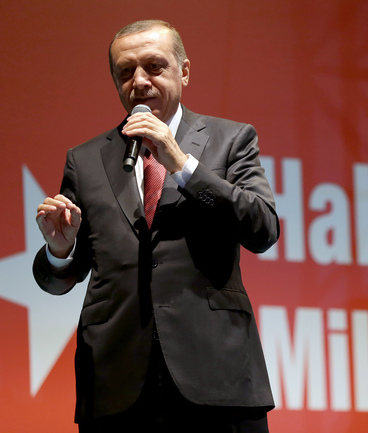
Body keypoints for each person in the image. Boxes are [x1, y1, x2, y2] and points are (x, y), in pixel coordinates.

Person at [32, 20, 279, 432]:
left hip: (216, 375)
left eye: (154, 66)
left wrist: (181, 163)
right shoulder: (86, 159)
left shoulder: (231, 139)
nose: (140, 81)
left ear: (183, 71)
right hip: (116, 383)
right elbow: (62, 279)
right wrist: (60, 250)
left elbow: (262, 229)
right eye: (125, 72)